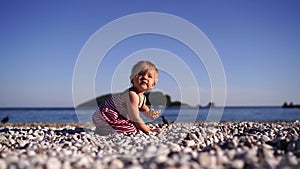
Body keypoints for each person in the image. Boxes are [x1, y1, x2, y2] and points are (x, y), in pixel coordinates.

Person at [93, 61, 161, 135]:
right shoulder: (132, 94)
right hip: (105, 116)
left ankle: (106, 128)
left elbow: (143, 108)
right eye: (140, 74)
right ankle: (104, 129)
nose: (144, 77)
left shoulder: (143, 98)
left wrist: (150, 114)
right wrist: (148, 130)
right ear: (132, 79)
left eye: (149, 76)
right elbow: (135, 117)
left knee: (133, 127)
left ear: (153, 84)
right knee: (131, 129)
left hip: (117, 117)